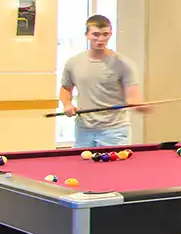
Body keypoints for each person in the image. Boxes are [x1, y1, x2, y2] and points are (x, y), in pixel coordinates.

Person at [59, 15, 144, 149]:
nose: (101, 39)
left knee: (114, 163)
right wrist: (67, 104)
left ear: (110, 34)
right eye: (96, 35)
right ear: (87, 35)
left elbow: (133, 96)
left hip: (115, 130)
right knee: (81, 162)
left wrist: (139, 105)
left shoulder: (123, 64)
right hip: (83, 129)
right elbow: (65, 88)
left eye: (105, 34)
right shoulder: (73, 63)